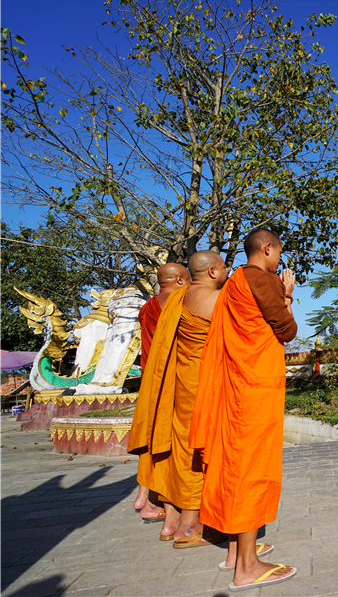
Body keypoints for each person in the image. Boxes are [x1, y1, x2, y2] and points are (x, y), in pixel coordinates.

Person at [190, 229, 297, 591]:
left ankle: (237, 552)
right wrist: (287, 294)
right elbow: (287, 330)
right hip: (253, 388)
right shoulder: (262, 280)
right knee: (251, 466)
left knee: (234, 461)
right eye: (278, 253)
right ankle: (247, 567)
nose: (279, 260)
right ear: (267, 248)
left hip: (235, 385)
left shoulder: (235, 280)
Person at [128, 252, 228, 546]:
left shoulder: (155, 306)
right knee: (194, 450)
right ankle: (190, 523)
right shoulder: (202, 299)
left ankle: (169, 519)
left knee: (169, 448)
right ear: (183, 279)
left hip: (161, 381)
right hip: (195, 381)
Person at [132, 263, 190, 527]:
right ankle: (161, 505)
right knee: (168, 442)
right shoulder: (180, 301)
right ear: (179, 280)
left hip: (149, 379)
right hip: (172, 380)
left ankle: (145, 498)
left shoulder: (148, 306)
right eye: (189, 280)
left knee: (151, 438)